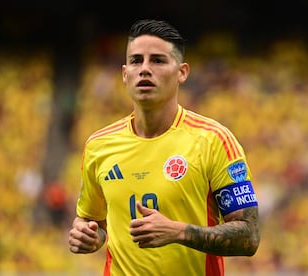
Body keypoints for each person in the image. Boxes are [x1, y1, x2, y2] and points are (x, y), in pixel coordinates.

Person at [68, 19, 260, 275]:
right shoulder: (99, 145)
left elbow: (249, 236)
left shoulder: (214, 140)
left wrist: (178, 231)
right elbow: (94, 222)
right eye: (137, 61)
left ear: (182, 72)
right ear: (125, 74)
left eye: (158, 60)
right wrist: (90, 236)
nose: (145, 69)